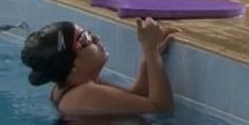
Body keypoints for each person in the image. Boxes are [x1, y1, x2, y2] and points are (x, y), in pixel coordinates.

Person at [20, 18, 177, 116]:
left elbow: (136, 97)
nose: (96, 38)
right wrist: (149, 49)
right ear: (74, 64)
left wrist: (150, 58)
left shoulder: (73, 86)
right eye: (85, 38)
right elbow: (161, 109)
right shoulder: (84, 94)